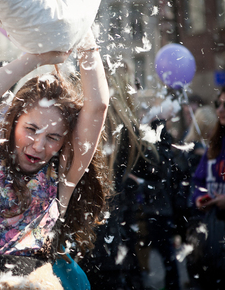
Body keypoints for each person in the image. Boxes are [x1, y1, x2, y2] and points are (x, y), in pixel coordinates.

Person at [0, 29, 110, 289]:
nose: (39, 145)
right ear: (15, 121)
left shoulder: (63, 175)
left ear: (63, 142)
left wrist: (83, 32)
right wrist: (34, 59)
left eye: (53, 137)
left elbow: (97, 107)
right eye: (31, 129)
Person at [80, 60, 157, 290]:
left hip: (89, 229)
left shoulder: (85, 125)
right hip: (120, 230)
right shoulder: (130, 130)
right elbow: (155, 170)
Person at [191, 85, 225, 289]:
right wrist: (200, 197)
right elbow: (200, 181)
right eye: (218, 104)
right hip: (214, 226)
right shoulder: (215, 145)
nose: (221, 110)